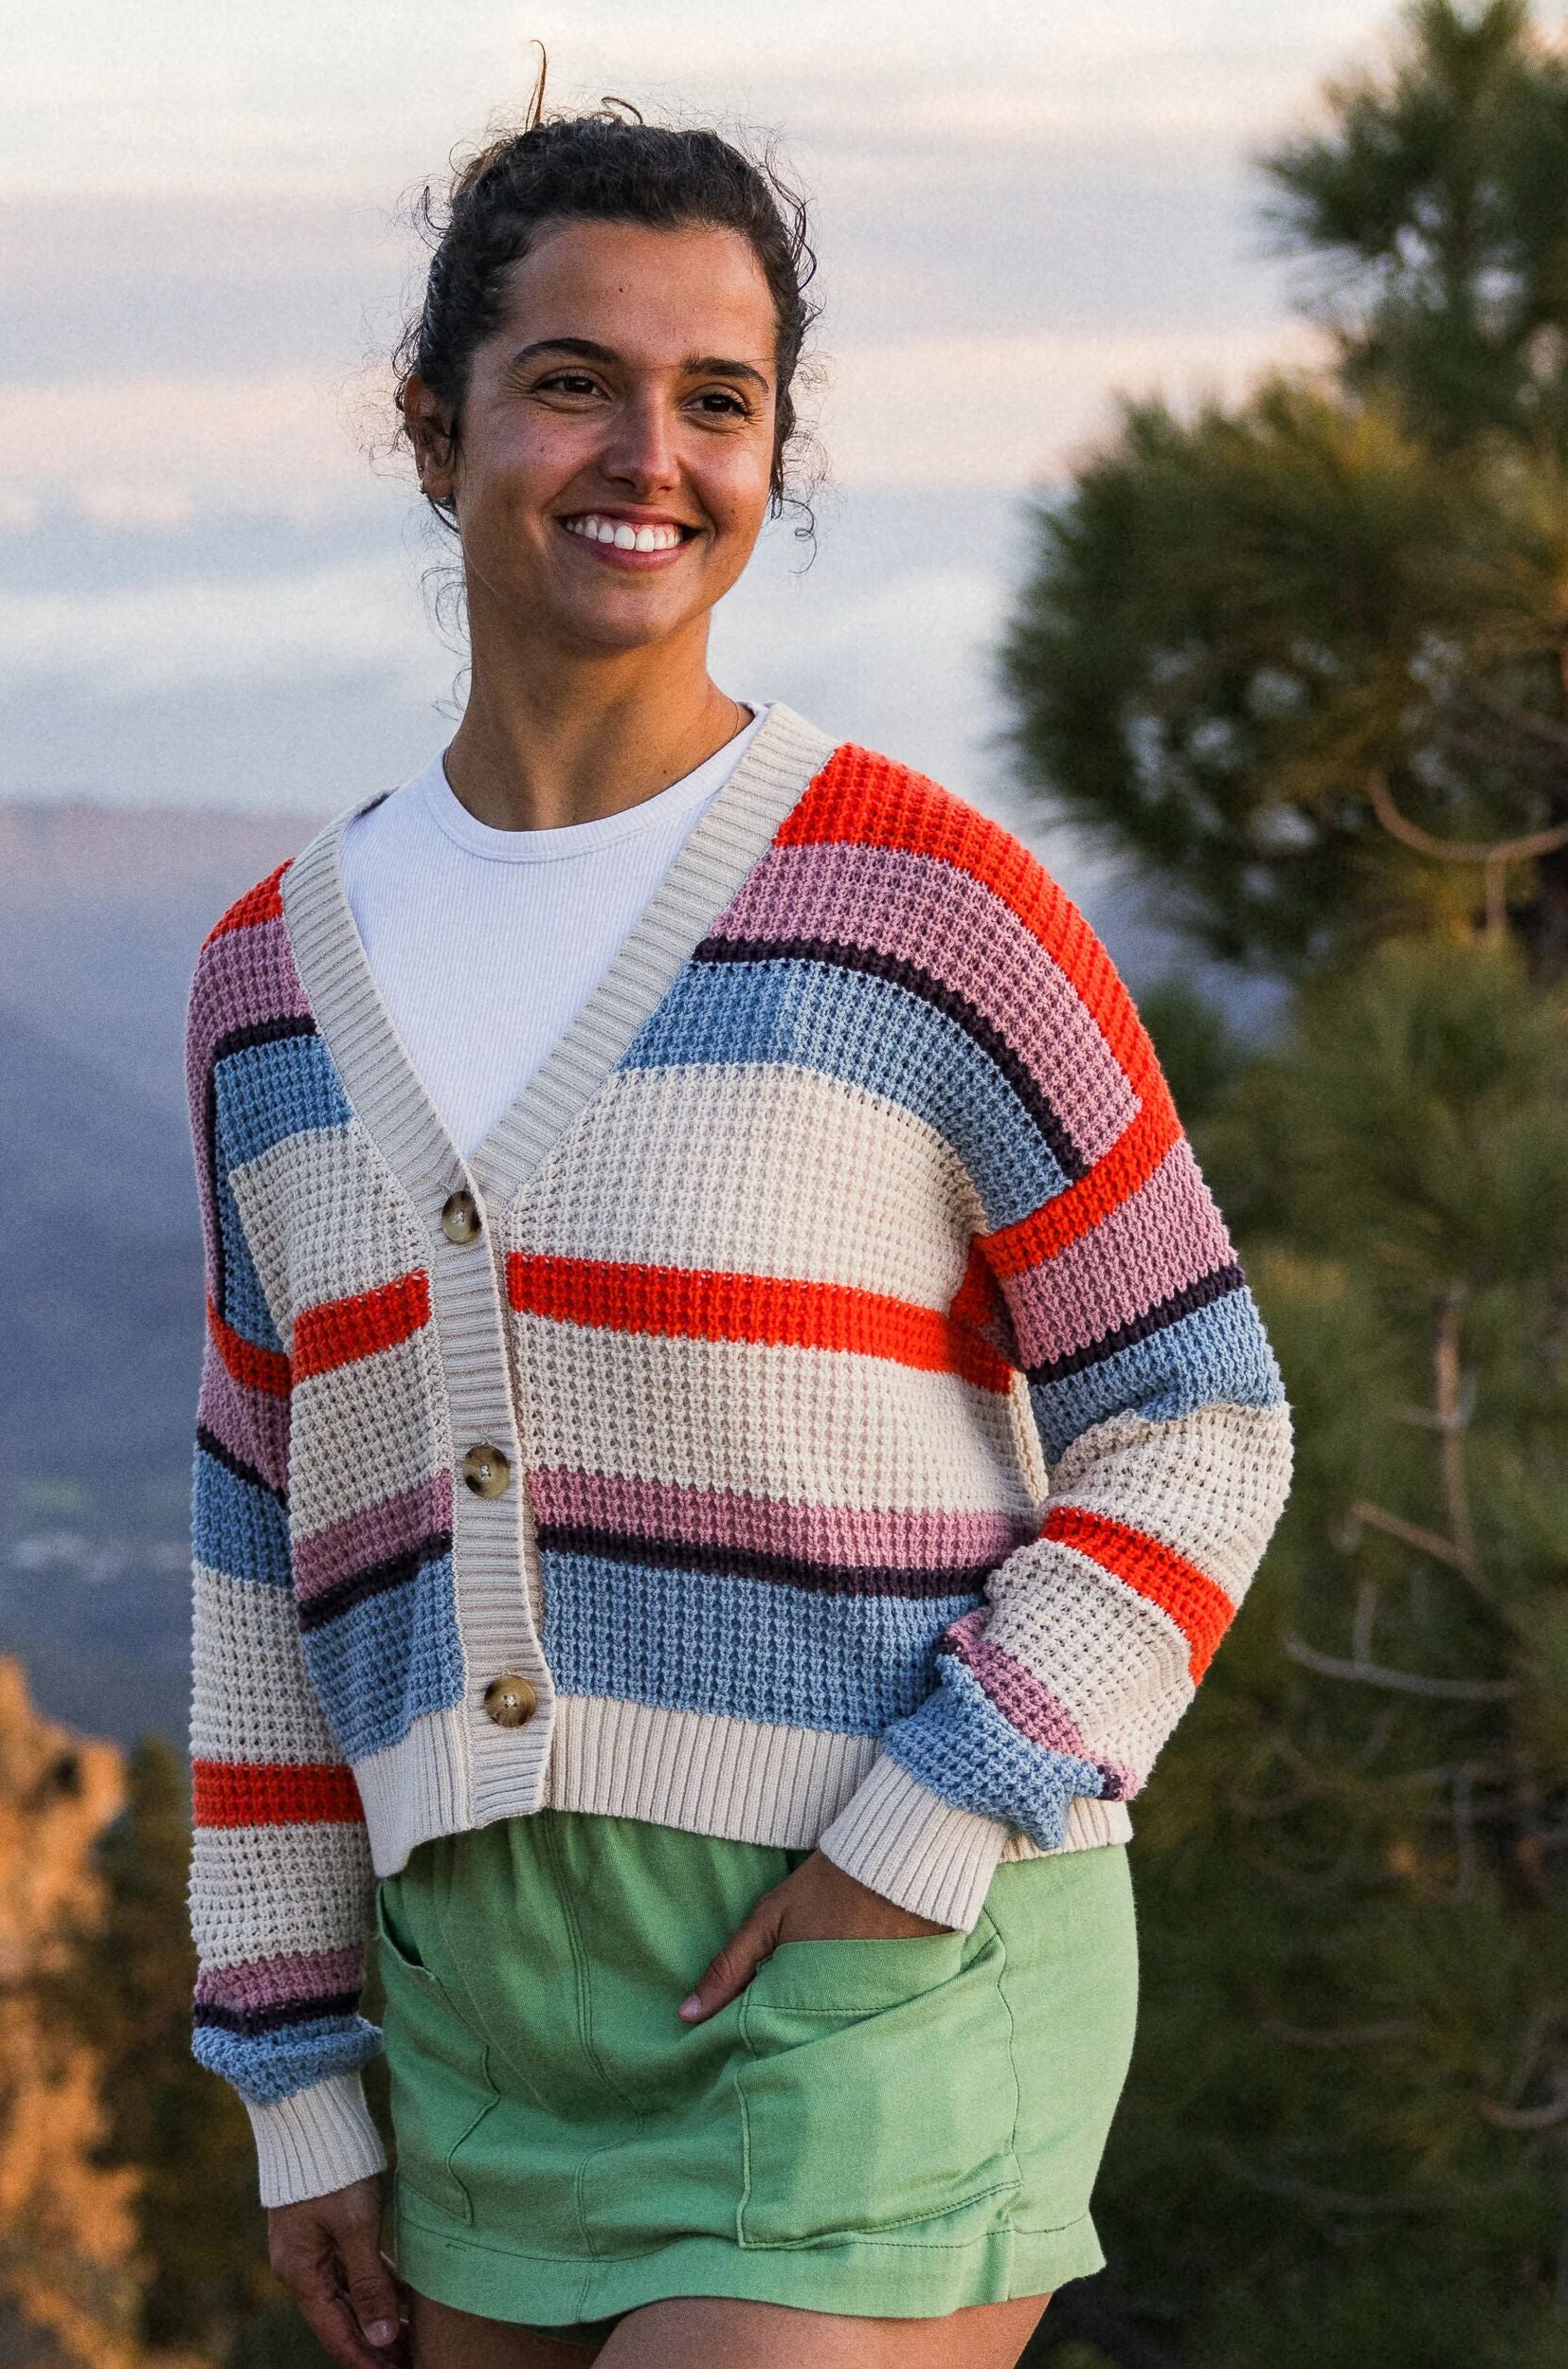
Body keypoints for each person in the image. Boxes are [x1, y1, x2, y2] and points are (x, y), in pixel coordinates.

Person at [180, 99, 1293, 2369]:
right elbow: (254, 1544)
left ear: (777, 453)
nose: (649, 455)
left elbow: (1199, 1407)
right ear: (436, 426)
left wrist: (935, 1812)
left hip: (868, 1975)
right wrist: (297, 2074)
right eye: (574, 378)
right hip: (471, 2012)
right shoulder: (266, 987)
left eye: (721, 400)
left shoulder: (922, 908)